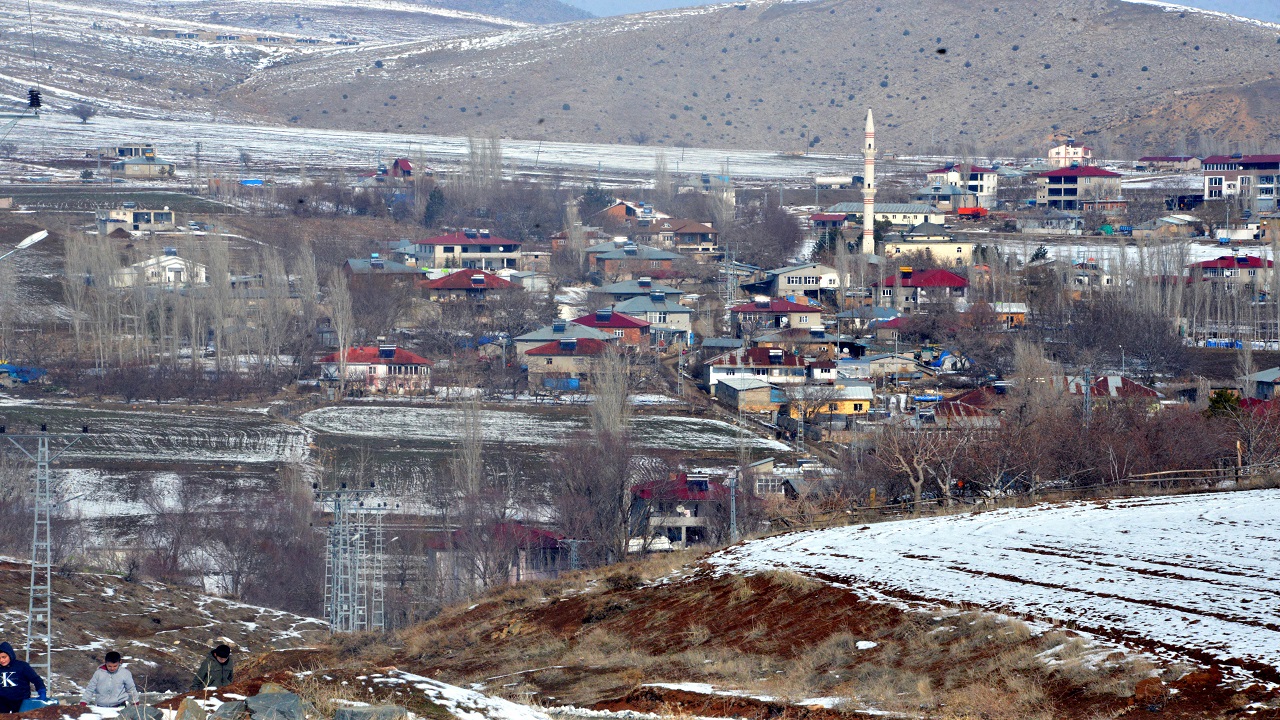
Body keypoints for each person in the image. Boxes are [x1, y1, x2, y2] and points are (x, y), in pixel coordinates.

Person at [0, 642, 46, 713]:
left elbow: (36, 679)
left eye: (4, 657)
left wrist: (41, 691)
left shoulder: (22, 666)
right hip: (2, 703)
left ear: (10, 655)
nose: (1, 660)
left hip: (21, 701)